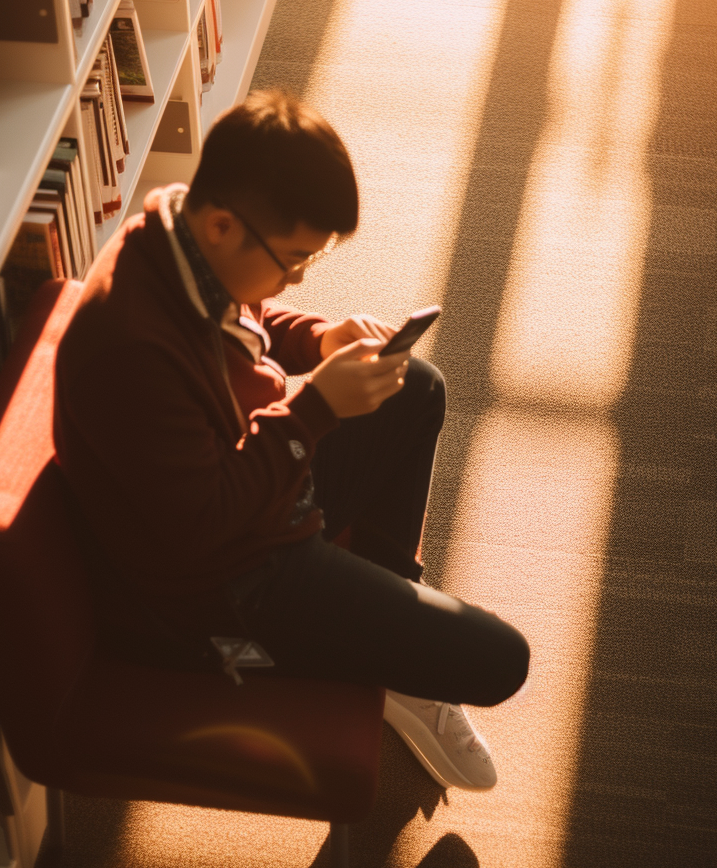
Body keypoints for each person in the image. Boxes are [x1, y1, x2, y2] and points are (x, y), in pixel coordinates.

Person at [54, 89, 529, 790]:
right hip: (222, 587)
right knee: (501, 662)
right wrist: (313, 409)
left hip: (264, 491)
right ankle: (380, 651)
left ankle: (385, 634)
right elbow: (206, 525)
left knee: (414, 387)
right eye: (295, 258)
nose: (298, 275)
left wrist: (316, 337)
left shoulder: (173, 227)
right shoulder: (131, 350)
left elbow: (246, 313)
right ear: (223, 226)